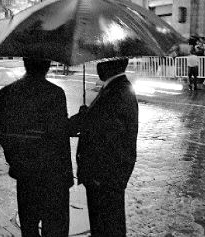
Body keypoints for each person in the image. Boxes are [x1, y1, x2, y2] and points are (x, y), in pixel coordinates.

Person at [0, 57, 73, 237]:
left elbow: (4, 135)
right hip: (53, 176)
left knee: (29, 228)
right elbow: (59, 135)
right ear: (47, 66)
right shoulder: (55, 93)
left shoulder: (7, 93)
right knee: (55, 228)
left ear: (25, 63)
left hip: (25, 175)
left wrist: (16, 162)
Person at [69, 58, 139, 237]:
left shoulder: (117, 92)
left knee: (107, 225)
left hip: (104, 175)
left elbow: (107, 135)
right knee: (105, 223)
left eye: (101, 62)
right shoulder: (116, 88)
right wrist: (87, 114)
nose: (98, 66)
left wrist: (83, 120)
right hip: (104, 176)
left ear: (111, 65)